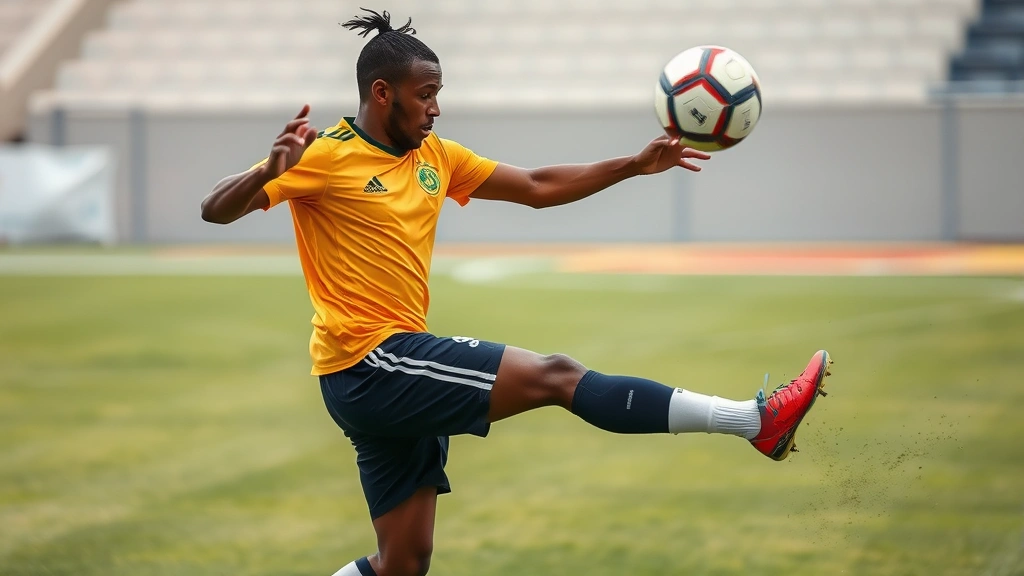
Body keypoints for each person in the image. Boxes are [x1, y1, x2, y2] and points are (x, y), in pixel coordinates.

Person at [201, 9, 833, 576]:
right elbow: (214, 210)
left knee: (402, 563)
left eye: (439, 95)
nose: (436, 109)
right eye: (426, 96)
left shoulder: (436, 157)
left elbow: (535, 184)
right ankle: (754, 421)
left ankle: (757, 424)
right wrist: (267, 168)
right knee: (557, 376)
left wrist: (634, 165)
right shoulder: (325, 157)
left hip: (379, 370)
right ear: (381, 93)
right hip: (368, 362)